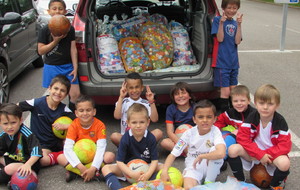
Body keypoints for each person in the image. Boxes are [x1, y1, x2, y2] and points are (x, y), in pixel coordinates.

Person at [227, 84, 291, 190]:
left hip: (272, 156)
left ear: (277, 105)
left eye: (270, 104)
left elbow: (285, 146)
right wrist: (259, 154)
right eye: (261, 103)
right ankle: (240, 180)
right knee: (233, 149)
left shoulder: (280, 122)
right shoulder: (252, 117)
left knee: (285, 163)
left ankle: (275, 185)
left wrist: (266, 155)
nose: (265, 107)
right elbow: (243, 138)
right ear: (255, 103)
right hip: (255, 153)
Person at [160, 100, 226, 190]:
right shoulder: (188, 134)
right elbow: (173, 153)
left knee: (216, 150)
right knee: (188, 188)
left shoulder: (215, 131)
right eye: (200, 117)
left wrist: (202, 156)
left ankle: (209, 181)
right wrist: (164, 171)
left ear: (214, 119)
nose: (205, 120)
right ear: (194, 119)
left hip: (209, 166)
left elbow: (221, 153)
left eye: (209, 117)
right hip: (193, 167)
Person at [18, 75, 75, 167]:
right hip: (38, 143)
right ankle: (60, 156)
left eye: (62, 90)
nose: (58, 92)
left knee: (42, 160)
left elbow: (79, 123)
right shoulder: (36, 103)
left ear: (66, 94)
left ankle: (61, 155)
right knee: (37, 159)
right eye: (55, 88)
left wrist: (66, 126)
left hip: (53, 144)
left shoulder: (64, 110)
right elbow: (15, 108)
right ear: (49, 88)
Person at [102, 103, 162, 190]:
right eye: (134, 122)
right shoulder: (125, 138)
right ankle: (118, 188)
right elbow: (119, 162)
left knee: (164, 167)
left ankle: (148, 183)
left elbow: (154, 161)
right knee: (105, 168)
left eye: (142, 122)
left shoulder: (150, 138)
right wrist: (132, 174)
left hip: (146, 168)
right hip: (127, 169)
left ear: (148, 122)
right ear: (128, 123)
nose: (138, 125)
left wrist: (148, 174)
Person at [59, 95, 115, 182]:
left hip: (93, 157)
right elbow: (68, 148)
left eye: (88, 110)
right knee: (60, 158)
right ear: (76, 113)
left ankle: (78, 173)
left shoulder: (100, 125)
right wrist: (81, 167)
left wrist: (93, 167)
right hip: (78, 158)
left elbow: (101, 148)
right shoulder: (73, 125)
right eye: (81, 111)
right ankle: (90, 173)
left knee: (109, 156)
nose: (85, 113)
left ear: (94, 111)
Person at [37, 0, 80, 111]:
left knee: (75, 95)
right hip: (52, 66)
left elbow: (73, 49)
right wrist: (55, 41)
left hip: (68, 66)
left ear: (65, 11)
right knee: (54, 97)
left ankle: (72, 119)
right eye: (54, 8)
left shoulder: (70, 29)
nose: (57, 11)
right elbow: (41, 51)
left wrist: (75, 67)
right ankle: (52, 119)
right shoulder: (44, 30)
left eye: (60, 9)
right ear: (49, 11)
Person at [111, 72, 163, 146]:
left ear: (142, 88)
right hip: (127, 138)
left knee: (158, 132)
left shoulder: (146, 103)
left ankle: (137, 150)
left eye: (137, 87)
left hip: (143, 137)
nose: (134, 90)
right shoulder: (123, 102)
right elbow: (117, 116)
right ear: (126, 89)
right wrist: (121, 97)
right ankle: (137, 150)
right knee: (114, 136)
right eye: (131, 88)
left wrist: (151, 102)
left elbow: (154, 119)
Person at [211, 0, 243, 112]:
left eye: (234, 8)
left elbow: (237, 41)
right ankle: (225, 115)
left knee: (233, 91)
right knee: (225, 92)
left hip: (233, 62)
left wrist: (239, 25)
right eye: (229, 7)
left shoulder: (235, 23)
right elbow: (220, 39)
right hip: (221, 62)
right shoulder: (217, 20)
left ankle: (234, 115)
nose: (232, 10)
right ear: (223, 8)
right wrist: (221, 23)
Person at [214, 85, 256, 170]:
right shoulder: (230, 113)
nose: (239, 103)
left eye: (242, 100)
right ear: (231, 102)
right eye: (235, 101)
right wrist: (215, 133)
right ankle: (217, 156)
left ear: (249, 101)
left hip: (251, 143)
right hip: (238, 140)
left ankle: (221, 158)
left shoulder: (254, 114)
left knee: (232, 136)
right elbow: (219, 122)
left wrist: (240, 132)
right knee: (222, 134)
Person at [0, 103, 42, 186]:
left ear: (20, 120)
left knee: (9, 168)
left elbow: (37, 151)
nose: (9, 127)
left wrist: (27, 165)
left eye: (13, 122)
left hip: (28, 164)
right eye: (5, 124)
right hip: (13, 160)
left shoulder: (26, 134)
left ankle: (7, 178)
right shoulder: (4, 135)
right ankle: (8, 177)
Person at [160, 82, 195, 156]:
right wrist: (183, 146)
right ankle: (189, 152)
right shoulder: (171, 109)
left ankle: (186, 152)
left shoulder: (195, 108)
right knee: (165, 142)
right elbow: (170, 132)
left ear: (190, 96)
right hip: (178, 139)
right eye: (177, 94)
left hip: (194, 138)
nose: (180, 96)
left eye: (183, 93)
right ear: (173, 97)